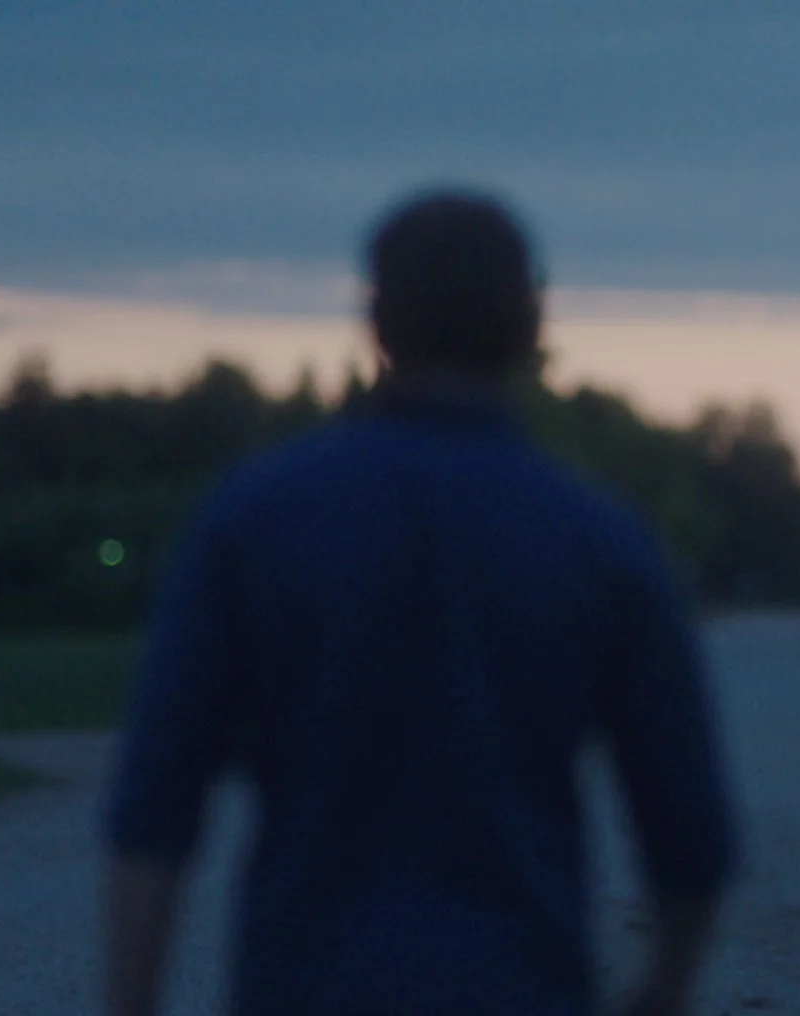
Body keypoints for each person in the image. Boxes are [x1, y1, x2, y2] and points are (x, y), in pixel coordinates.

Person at [100, 188, 739, 1016]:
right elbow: (690, 839)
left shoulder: (255, 519)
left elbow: (153, 813)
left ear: (376, 322)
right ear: (531, 325)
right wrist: (664, 991)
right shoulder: (600, 539)